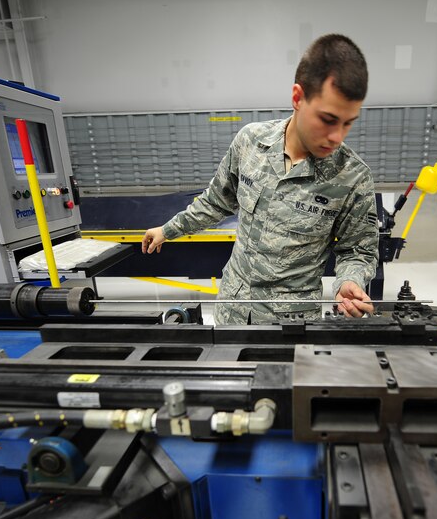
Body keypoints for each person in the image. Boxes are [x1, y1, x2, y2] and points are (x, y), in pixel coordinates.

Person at [141, 34, 378, 325]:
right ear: (297, 98)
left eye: (348, 123)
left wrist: (348, 282)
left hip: (291, 324)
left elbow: (357, 250)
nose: (337, 137)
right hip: (232, 308)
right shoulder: (250, 142)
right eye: (328, 119)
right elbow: (216, 201)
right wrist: (168, 229)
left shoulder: (352, 176)